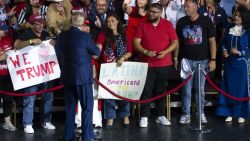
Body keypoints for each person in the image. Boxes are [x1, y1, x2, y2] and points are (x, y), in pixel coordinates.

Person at [56, 12, 100, 141]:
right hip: (83, 78)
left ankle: (68, 135)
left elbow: (57, 53)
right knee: (87, 107)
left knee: (70, 108)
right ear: (82, 22)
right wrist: (97, 46)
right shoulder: (85, 36)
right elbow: (96, 51)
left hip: (67, 76)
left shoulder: (61, 36)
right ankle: (87, 136)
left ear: (71, 21)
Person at [133, 3, 179, 128]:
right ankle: (144, 116)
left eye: (154, 12)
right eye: (150, 11)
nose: (151, 13)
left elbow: (175, 42)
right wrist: (146, 51)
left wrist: (166, 52)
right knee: (146, 90)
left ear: (160, 13)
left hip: (164, 63)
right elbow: (136, 43)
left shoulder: (167, 24)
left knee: (161, 90)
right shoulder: (142, 24)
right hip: (147, 63)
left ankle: (161, 115)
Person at [176, 0, 216, 125]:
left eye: (188, 6)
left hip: (202, 61)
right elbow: (177, 42)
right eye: (184, 7)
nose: (186, 9)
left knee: (200, 90)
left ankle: (200, 113)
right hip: (186, 61)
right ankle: (186, 114)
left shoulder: (206, 21)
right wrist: (176, 58)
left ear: (196, 6)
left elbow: (212, 42)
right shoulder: (181, 22)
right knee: (186, 90)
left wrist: (213, 60)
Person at [14, 14, 56, 134]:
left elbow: (52, 45)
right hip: (31, 73)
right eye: (37, 23)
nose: (40, 25)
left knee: (48, 97)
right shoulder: (27, 33)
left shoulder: (45, 33)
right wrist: (31, 41)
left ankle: (46, 121)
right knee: (30, 98)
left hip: (45, 70)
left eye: (41, 22)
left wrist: (53, 43)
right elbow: (16, 45)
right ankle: (27, 123)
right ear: (32, 24)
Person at [96, 12, 132, 128]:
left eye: (112, 21)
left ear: (117, 21)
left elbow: (130, 52)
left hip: (123, 67)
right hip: (108, 68)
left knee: (124, 92)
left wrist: (123, 57)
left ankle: (125, 116)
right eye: (108, 22)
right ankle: (110, 118)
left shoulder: (125, 34)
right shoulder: (103, 35)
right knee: (108, 94)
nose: (110, 23)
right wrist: (97, 49)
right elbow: (98, 47)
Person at [216, 6, 250, 123]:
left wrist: (240, 52)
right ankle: (229, 112)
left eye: (239, 15)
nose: (236, 17)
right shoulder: (229, 28)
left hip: (242, 64)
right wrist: (224, 50)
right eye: (235, 15)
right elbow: (223, 43)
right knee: (229, 88)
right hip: (229, 63)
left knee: (241, 89)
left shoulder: (248, 31)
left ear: (244, 17)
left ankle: (241, 113)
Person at [199, 0, 228, 81]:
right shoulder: (201, 9)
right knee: (204, 59)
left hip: (217, 39)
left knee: (217, 58)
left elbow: (224, 26)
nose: (208, 0)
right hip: (204, 40)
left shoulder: (221, 10)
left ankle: (217, 78)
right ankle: (203, 77)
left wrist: (222, 39)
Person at [0, 25, 17, 132]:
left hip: (8, 74)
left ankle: (7, 122)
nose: (5, 32)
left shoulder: (8, 39)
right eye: (2, 30)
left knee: (8, 99)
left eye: (5, 30)